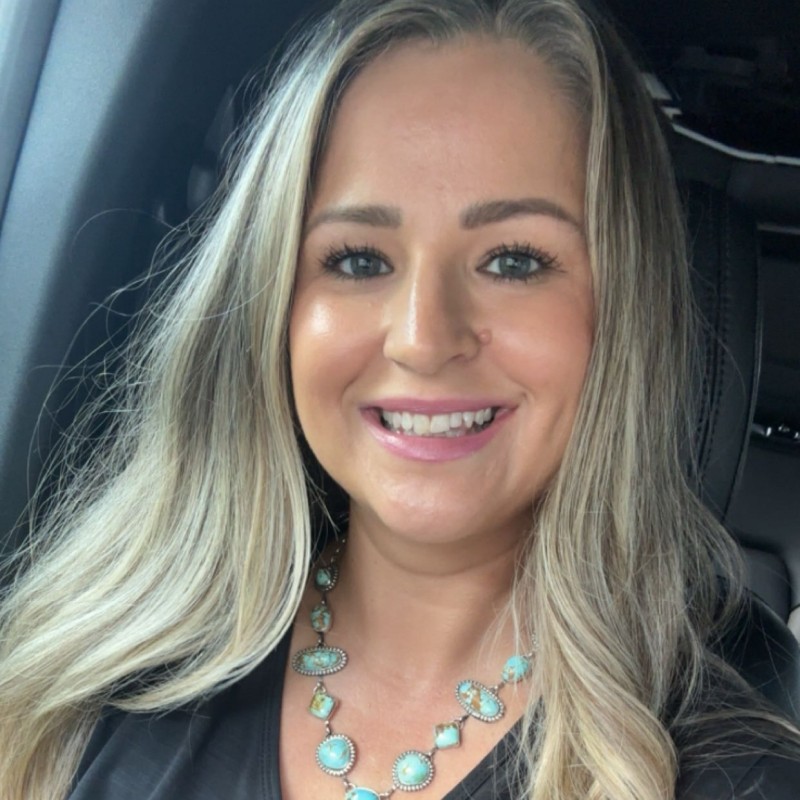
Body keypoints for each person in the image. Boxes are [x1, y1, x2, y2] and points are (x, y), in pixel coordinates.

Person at [1, 0, 799, 798]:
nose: (422, 338)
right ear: (274, 304)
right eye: (357, 260)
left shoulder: (738, 775)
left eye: (514, 260)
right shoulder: (73, 700)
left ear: (624, 311)